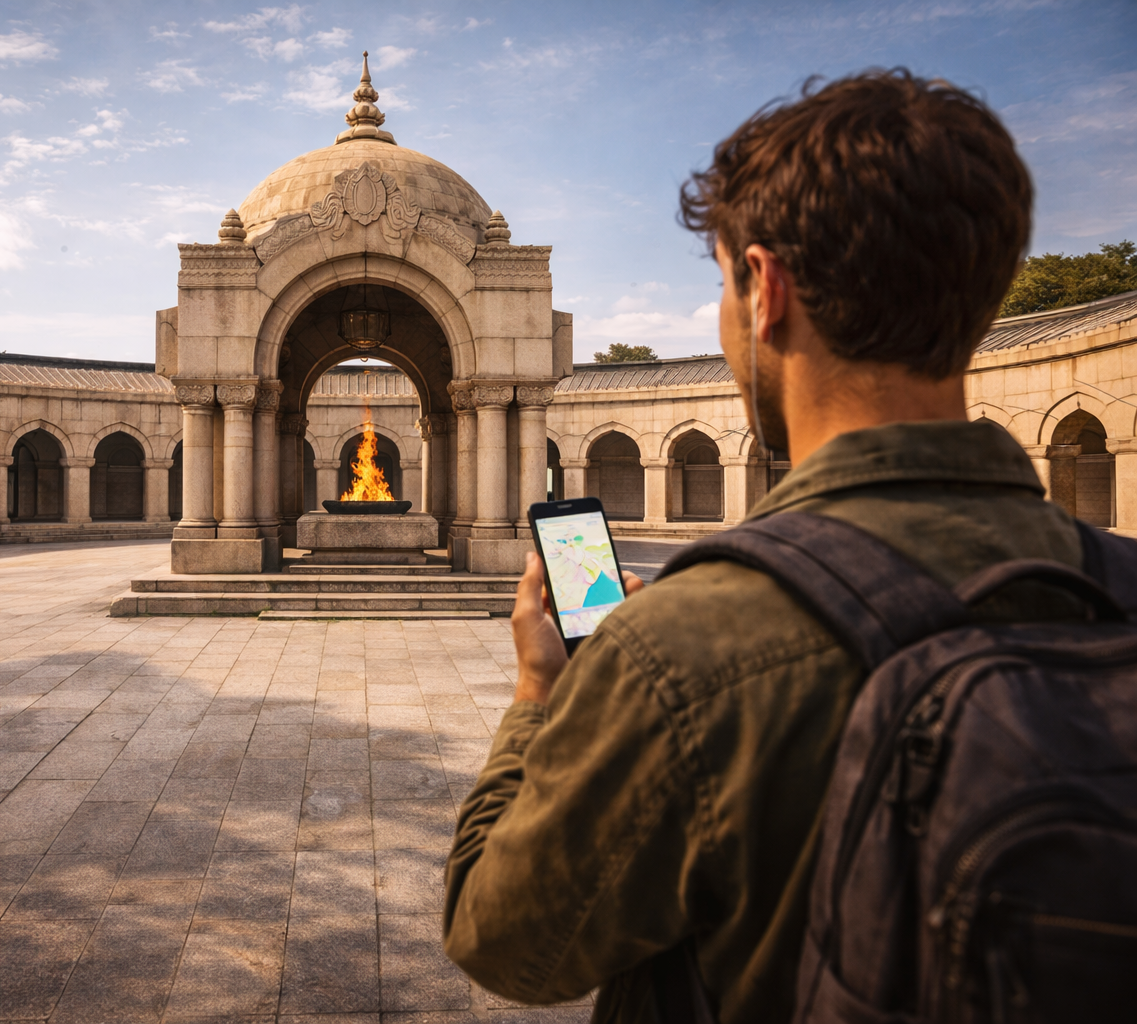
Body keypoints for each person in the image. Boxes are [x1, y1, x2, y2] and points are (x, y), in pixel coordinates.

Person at [442, 69, 1060, 1023]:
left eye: (724, 289)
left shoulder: (688, 651)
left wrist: (541, 691)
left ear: (764, 290)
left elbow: (504, 941)